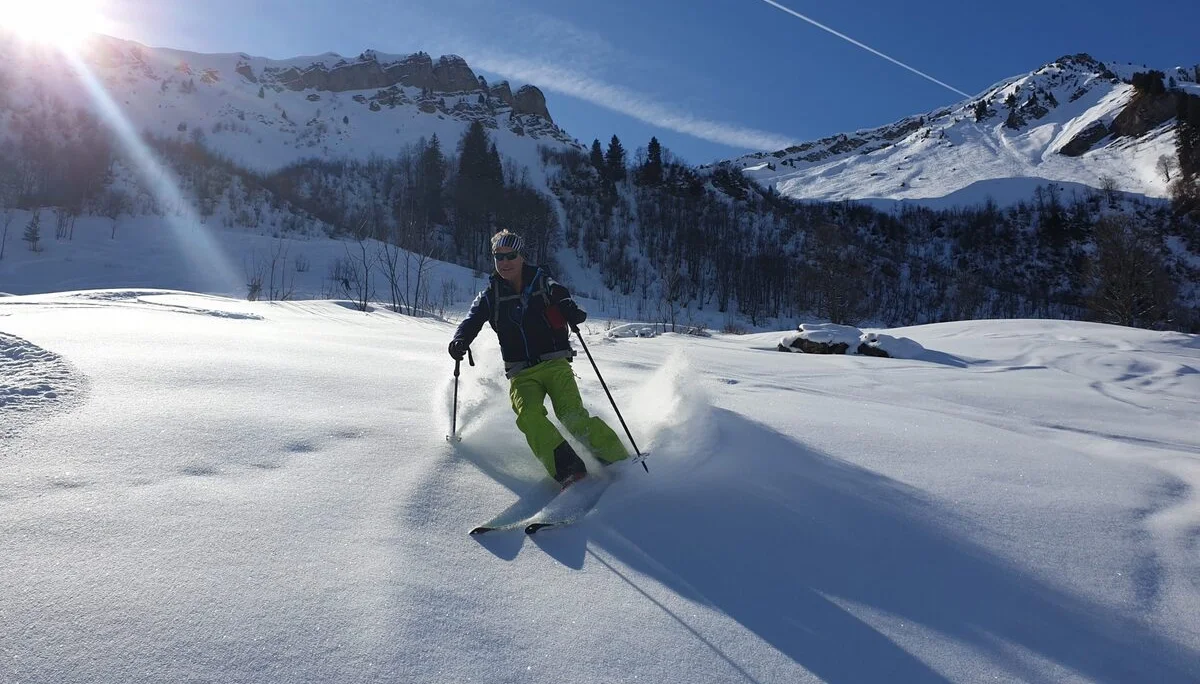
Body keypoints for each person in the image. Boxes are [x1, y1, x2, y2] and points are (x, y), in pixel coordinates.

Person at [449, 229, 630, 488]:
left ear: (522, 256)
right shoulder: (491, 295)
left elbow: (560, 293)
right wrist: (460, 340)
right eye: (498, 257)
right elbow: (471, 320)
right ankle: (569, 470)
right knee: (529, 416)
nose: (505, 262)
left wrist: (568, 307)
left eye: (510, 256)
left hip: (554, 363)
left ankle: (618, 460)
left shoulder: (542, 282)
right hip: (521, 373)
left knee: (571, 415)